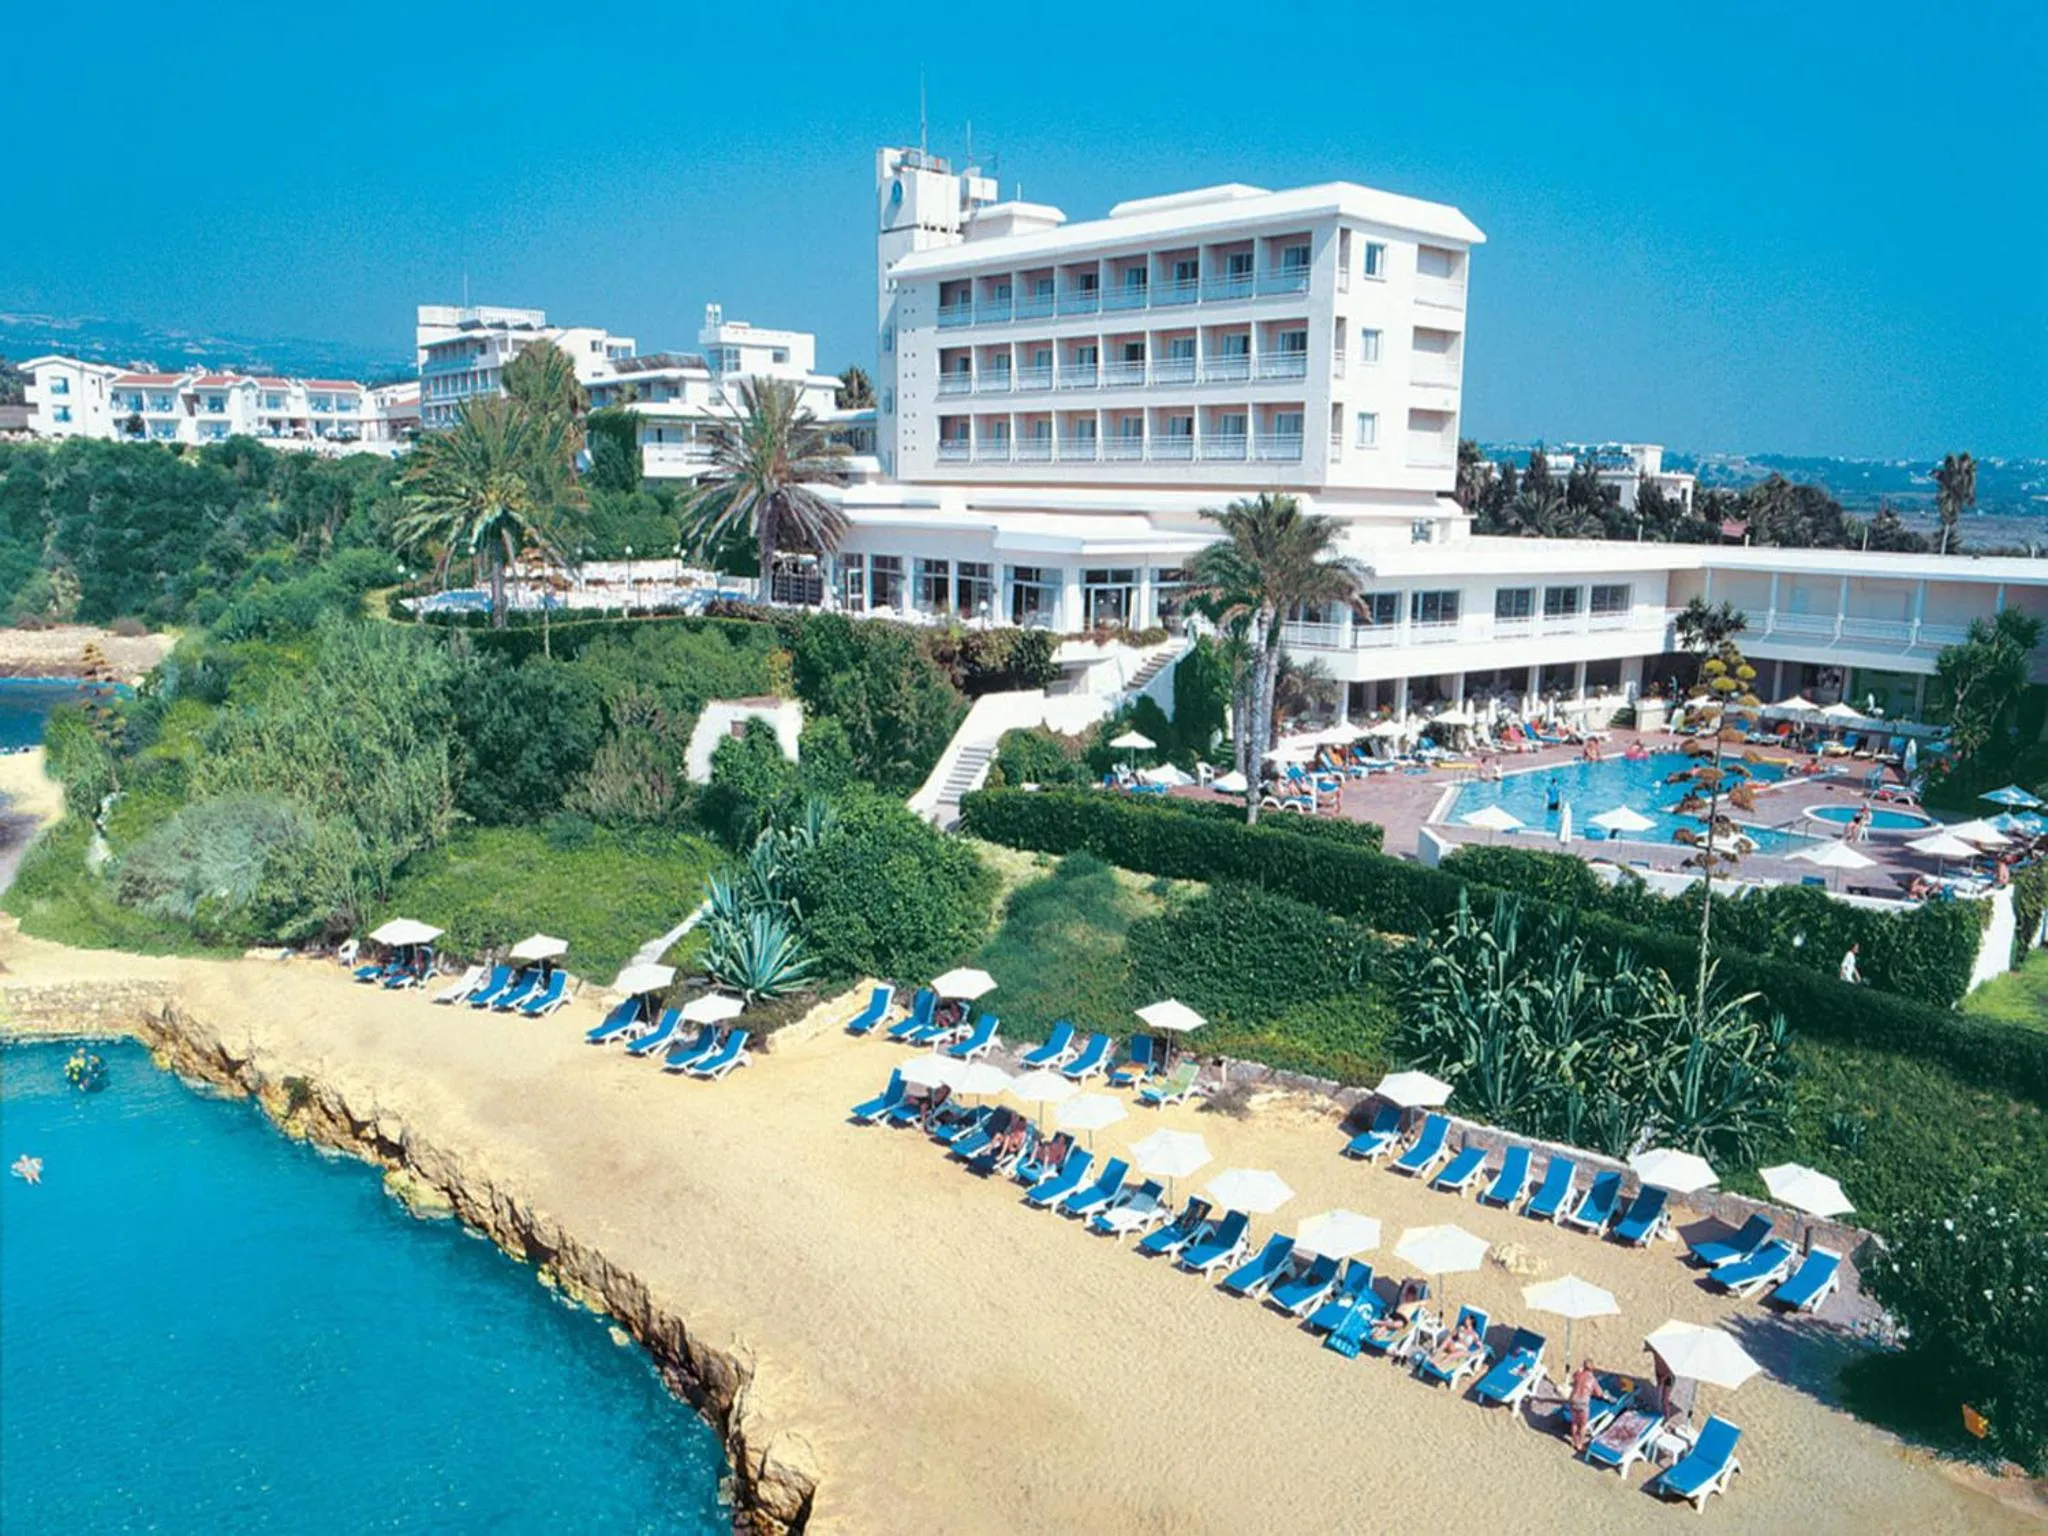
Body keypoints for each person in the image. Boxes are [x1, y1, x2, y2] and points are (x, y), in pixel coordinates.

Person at [1569, 1359, 1599, 1452]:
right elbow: (1599, 1393)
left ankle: (1575, 1442)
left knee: (1574, 1422)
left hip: (1573, 1400)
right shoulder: (1592, 1379)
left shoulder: (1578, 1375)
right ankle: (1580, 1445)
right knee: (1583, 1425)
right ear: (1592, 1368)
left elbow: (1574, 1376)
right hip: (1583, 1402)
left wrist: (1579, 1370)